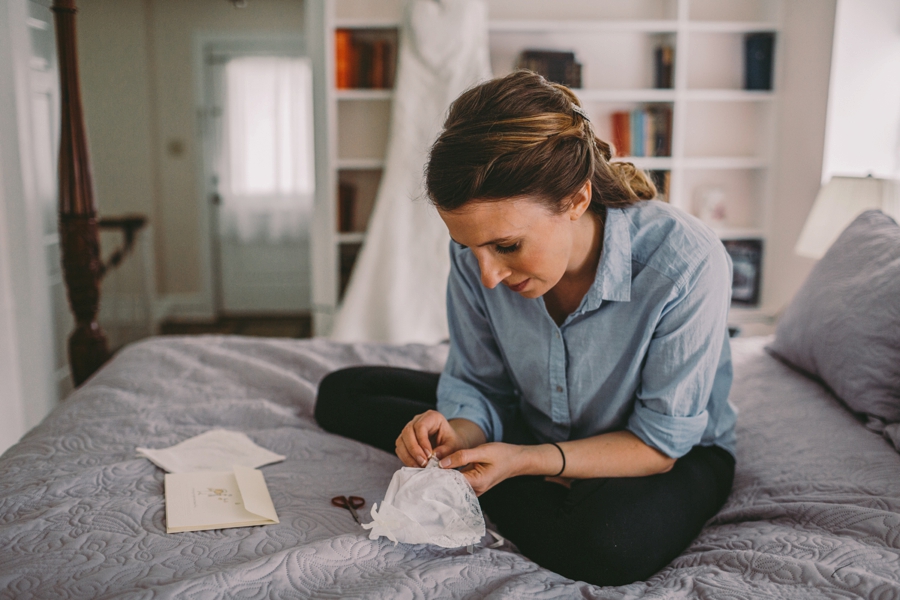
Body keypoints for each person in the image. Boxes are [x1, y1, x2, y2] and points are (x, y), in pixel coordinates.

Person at [315, 70, 737, 586]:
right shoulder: (478, 256)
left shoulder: (685, 262)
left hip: (656, 451)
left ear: (576, 200)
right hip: (533, 416)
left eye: (507, 246)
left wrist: (523, 461)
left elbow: (659, 444)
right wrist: (456, 434)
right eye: (470, 247)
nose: (487, 276)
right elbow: (479, 383)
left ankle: (502, 476)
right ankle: (492, 472)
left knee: (606, 549)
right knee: (340, 393)